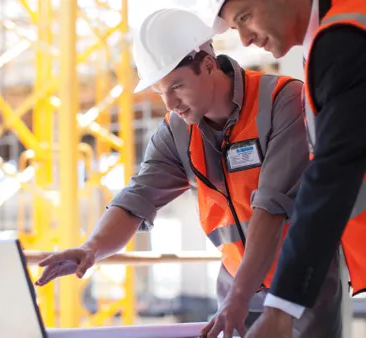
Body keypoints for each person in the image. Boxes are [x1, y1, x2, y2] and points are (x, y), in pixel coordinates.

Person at [34, 8, 342, 338]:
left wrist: (237, 298)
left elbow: (271, 207)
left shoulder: (282, 101)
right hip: (236, 291)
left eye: (177, 86)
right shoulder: (177, 131)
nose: (170, 103)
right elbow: (139, 197)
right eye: (159, 92)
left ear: (208, 65)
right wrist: (92, 248)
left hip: (297, 291)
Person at [207, 0, 366, 337]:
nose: (246, 40)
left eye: (246, 18)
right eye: (237, 28)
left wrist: (281, 307)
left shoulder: (344, 40)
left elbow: (331, 176)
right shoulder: (347, 28)